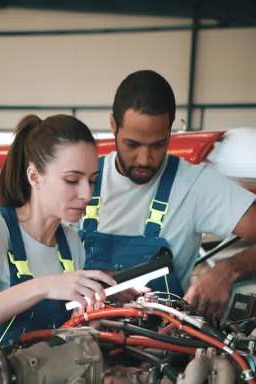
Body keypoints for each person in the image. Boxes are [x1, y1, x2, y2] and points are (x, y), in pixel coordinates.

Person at [81, 69, 256, 319]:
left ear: (170, 130)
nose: (144, 159)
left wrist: (228, 270)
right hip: (77, 339)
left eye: (158, 144)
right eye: (132, 144)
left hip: (160, 348)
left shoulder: (195, 185)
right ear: (113, 125)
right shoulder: (81, 179)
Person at [0, 114, 116, 347]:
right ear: (34, 177)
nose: (87, 195)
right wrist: (44, 287)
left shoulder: (71, 242)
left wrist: (97, 312)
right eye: (72, 180)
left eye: (91, 181)